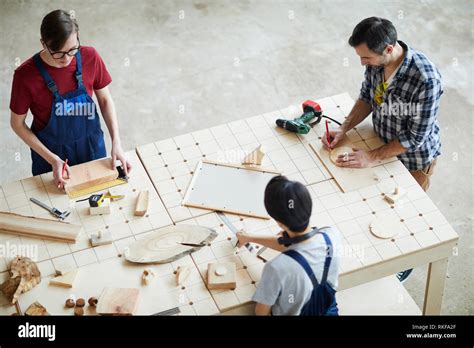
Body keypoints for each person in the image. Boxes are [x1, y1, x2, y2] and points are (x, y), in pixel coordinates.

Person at [324, 17, 443, 281]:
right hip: (382, 143)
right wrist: (344, 128)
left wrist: (371, 157)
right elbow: (367, 97)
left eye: (366, 58)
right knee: (376, 208)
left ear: (389, 49)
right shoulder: (378, 64)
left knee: (402, 211)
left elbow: (415, 137)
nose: (362, 63)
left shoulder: (426, 79)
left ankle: (405, 262)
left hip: (414, 160)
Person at [10, 9, 131, 188]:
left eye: (72, 49)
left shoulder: (90, 57)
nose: (66, 59)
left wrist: (116, 143)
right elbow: (17, 124)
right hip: (50, 155)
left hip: (92, 148)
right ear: (43, 43)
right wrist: (52, 160)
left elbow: (105, 100)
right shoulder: (25, 75)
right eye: (58, 53)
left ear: (77, 36)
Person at [237, 176, 342, 315]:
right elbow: (296, 246)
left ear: (279, 223)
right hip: (328, 310)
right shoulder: (331, 234)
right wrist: (249, 238)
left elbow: (261, 313)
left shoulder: (276, 268)